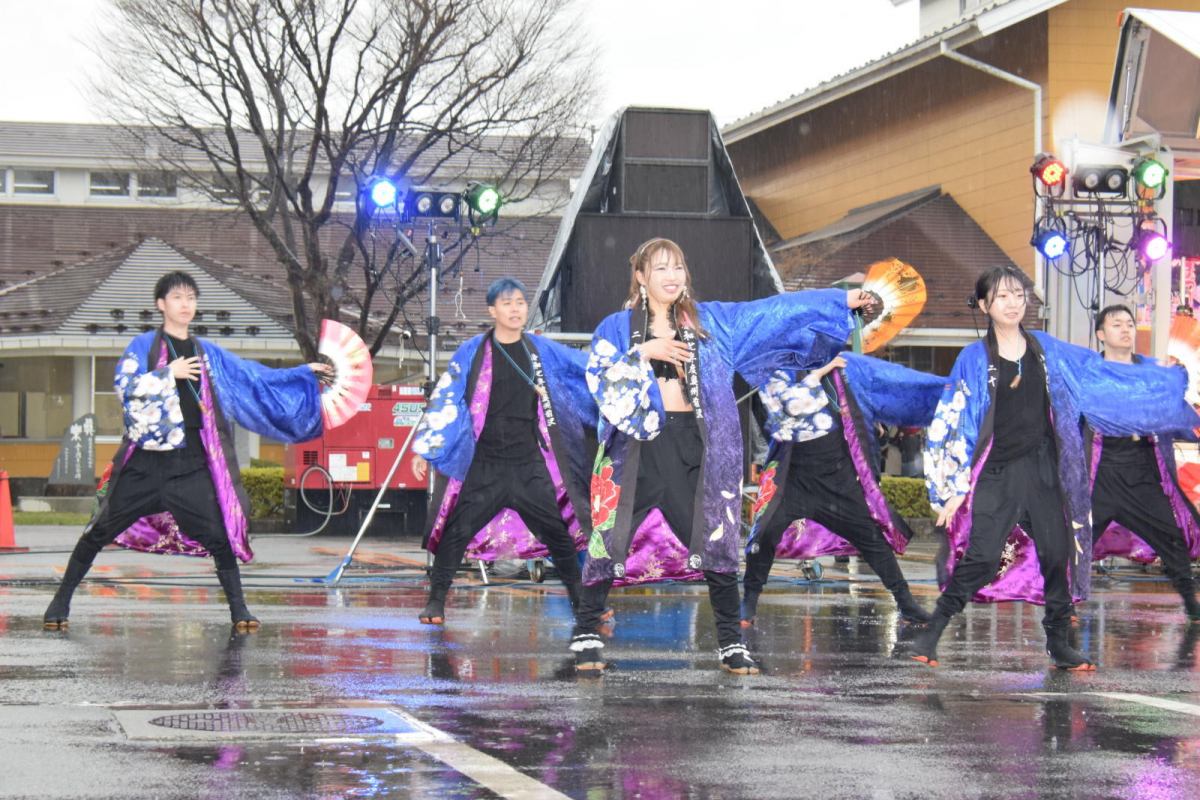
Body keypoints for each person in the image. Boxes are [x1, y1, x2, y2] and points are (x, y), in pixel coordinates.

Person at [570, 237, 872, 674]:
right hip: (635, 449)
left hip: (698, 444)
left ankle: (730, 641)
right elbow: (596, 377)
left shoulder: (710, 321)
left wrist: (841, 299)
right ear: (640, 277)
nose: (672, 276)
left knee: (717, 539)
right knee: (609, 536)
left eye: (678, 267)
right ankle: (585, 633)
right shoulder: (616, 327)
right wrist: (642, 353)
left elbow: (772, 312)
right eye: (660, 269)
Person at [914, 266, 1198, 669]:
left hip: (1044, 470)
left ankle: (1059, 641)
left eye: (1018, 295)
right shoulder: (974, 359)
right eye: (1001, 297)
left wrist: (1161, 388)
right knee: (980, 558)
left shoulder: (1045, 348)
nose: (1013, 304)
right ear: (983, 305)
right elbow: (953, 420)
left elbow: (1098, 373)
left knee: (1057, 552)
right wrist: (951, 488)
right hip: (997, 473)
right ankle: (932, 632)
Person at [43, 271, 329, 630]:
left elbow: (252, 376)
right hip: (143, 463)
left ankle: (240, 610)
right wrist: (169, 373)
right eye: (178, 298)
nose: (186, 305)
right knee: (98, 531)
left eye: (191, 298)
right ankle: (59, 603)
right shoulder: (144, 345)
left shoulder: (205, 352)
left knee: (218, 535)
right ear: (161, 304)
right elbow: (124, 387)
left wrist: (303, 372)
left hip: (191, 463)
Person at [413, 277, 599, 625]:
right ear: (492, 310)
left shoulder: (542, 349)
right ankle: (436, 602)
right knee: (456, 531)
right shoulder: (472, 350)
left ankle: (583, 605)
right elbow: (446, 397)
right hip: (484, 462)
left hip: (528, 460)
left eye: (520, 303)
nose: (515, 309)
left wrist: (634, 360)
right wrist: (427, 450)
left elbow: (584, 367)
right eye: (507, 303)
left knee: (558, 534)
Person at [742, 353, 945, 627]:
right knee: (763, 535)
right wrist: (820, 370)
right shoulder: (777, 367)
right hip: (793, 478)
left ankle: (906, 602)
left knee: (872, 540)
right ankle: (749, 601)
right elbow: (792, 406)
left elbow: (894, 384)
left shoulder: (847, 368)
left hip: (837, 479)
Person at [1088, 304, 1200, 621]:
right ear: (1101, 334)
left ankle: (1192, 604)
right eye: (1116, 324)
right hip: (1102, 472)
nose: (1125, 329)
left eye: (1129, 324)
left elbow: (1173, 412)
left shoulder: (1152, 372)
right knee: (1076, 543)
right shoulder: (1089, 373)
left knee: (1172, 537)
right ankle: (1062, 604)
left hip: (1142, 471)